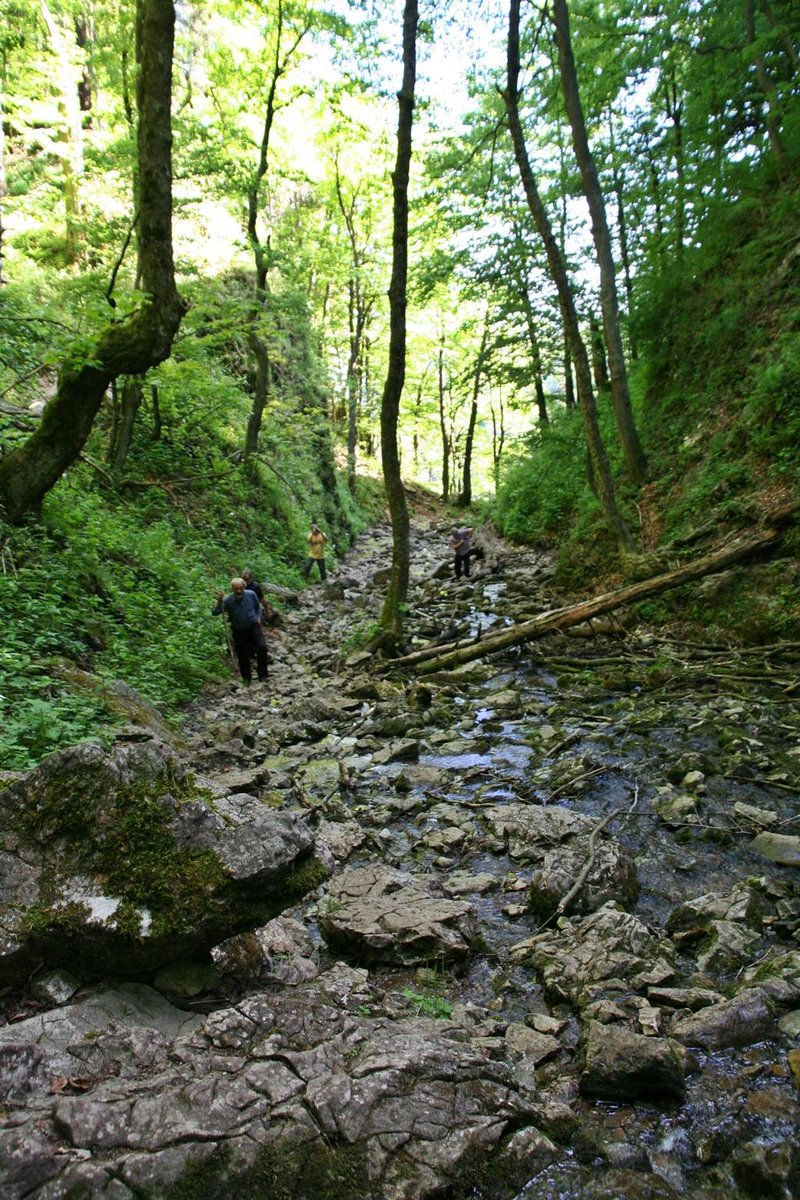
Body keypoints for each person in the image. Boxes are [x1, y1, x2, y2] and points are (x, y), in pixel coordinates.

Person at [212, 577, 268, 685]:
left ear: (244, 587)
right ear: (232, 589)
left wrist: (258, 617)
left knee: (262, 648)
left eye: (240, 588)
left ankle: (263, 675)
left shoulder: (251, 594)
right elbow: (215, 612)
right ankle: (246, 679)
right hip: (238, 630)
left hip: (253, 626)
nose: (238, 591)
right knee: (242, 655)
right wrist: (219, 601)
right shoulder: (228, 600)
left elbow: (258, 607)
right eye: (236, 589)